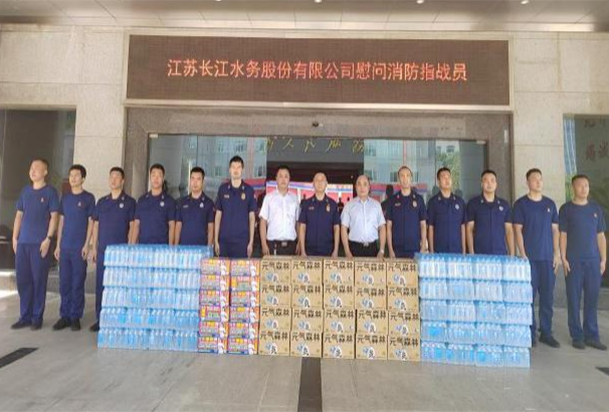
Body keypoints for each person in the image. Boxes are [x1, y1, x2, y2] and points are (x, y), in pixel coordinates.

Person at [513, 168, 561, 348]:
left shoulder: (550, 204)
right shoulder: (521, 204)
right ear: (527, 182)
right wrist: (523, 253)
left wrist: (557, 253)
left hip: (548, 259)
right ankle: (530, 333)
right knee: (529, 298)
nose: (538, 182)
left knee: (547, 298)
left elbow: (555, 230)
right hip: (530, 259)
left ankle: (546, 333)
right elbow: (517, 230)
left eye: (540, 179)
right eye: (534, 179)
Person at [559, 174, 607, 351]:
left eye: (586, 185)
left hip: (593, 261)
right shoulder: (566, 209)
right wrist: (563, 258)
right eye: (580, 185)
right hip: (574, 261)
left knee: (592, 298)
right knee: (573, 298)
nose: (584, 188)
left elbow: (600, 236)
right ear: (573, 188)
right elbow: (563, 235)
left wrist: (603, 259)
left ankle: (592, 335)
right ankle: (577, 336)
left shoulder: (596, 209)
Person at [11, 159, 59, 330]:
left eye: (37, 168)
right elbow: (19, 215)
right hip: (23, 243)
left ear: (45, 172)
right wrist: (15, 238)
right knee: (23, 281)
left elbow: (54, 216)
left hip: (40, 244)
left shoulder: (50, 192)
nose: (33, 171)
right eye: (31, 167)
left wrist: (48, 239)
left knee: (38, 281)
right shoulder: (25, 191)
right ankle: (25, 316)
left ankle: (37, 317)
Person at [90, 167, 136, 332]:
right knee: (101, 286)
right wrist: (94, 247)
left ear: (123, 181)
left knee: (119, 286)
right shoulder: (102, 202)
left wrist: (130, 247)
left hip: (121, 253)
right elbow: (96, 225)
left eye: (117, 177)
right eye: (111, 177)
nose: (114, 180)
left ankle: (117, 319)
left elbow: (132, 226)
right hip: (103, 251)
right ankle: (100, 318)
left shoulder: (130, 202)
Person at [52, 165, 95, 332]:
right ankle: (65, 316)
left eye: (77, 175)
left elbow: (91, 223)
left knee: (77, 283)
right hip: (65, 247)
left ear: (83, 178)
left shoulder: (88, 198)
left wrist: (87, 245)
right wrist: (58, 245)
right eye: (71, 175)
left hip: (79, 248)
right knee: (64, 283)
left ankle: (75, 316)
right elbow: (61, 222)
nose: (73, 178)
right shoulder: (66, 198)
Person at [214, 156, 257, 258]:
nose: (236, 170)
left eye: (238, 167)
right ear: (229, 170)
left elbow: (252, 217)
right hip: (224, 240)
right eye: (233, 167)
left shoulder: (249, 190)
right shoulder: (223, 189)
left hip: (242, 241)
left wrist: (251, 241)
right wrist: (215, 240)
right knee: (223, 268)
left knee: (241, 268)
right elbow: (218, 215)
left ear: (242, 169)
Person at [466, 170, 514, 255]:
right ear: (481, 184)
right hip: (480, 254)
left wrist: (512, 253)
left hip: (500, 253)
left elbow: (509, 230)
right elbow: (469, 229)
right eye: (486, 181)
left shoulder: (504, 205)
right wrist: (471, 252)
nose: (489, 184)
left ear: (496, 184)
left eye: (492, 180)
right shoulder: (473, 204)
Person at [386, 166, 427, 258]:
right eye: (402, 176)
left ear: (411, 178)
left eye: (408, 175)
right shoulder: (392, 200)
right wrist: (390, 250)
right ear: (398, 179)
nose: (405, 178)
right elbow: (388, 226)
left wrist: (423, 247)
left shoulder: (419, 199)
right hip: (396, 249)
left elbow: (423, 225)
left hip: (415, 249)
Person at [341, 175, 386, 258]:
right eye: (359, 184)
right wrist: (347, 251)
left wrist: (382, 250)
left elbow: (382, 227)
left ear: (369, 187)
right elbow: (343, 228)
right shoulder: (349, 205)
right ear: (355, 187)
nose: (362, 187)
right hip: (354, 249)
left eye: (365, 184)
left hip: (372, 249)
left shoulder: (376, 205)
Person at [259, 165, 300, 256]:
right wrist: (263, 244)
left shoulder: (295, 199)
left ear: (289, 179)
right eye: (280, 176)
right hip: (273, 245)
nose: (283, 179)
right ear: (276, 178)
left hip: (291, 245)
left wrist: (299, 243)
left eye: (286, 176)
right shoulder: (269, 198)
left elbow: (298, 223)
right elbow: (263, 222)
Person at [299, 172, 341, 257]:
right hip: (309, 251)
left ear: (326, 184)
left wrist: (336, 250)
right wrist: (302, 251)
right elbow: (302, 227)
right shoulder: (306, 204)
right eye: (317, 180)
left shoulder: (333, 204)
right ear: (313, 184)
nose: (320, 183)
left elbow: (336, 228)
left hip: (328, 251)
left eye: (322, 180)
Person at [132, 163, 176, 245]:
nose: (156, 179)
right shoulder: (142, 200)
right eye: (153, 175)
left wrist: (170, 247)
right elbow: (136, 224)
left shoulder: (169, 201)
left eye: (159, 176)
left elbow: (172, 226)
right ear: (150, 177)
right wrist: (132, 246)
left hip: (162, 248)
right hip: (143, 247)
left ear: (163, 178)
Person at [427, 167, 466, 254]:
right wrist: (431, 251)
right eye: (443, 177)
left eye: (448, 177)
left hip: (457, 250)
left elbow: (462, 227)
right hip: (439, 250)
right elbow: (430, 227)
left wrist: (464, 251)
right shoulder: (433, 202)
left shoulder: (460, 202)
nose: (447, 179)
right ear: (438, 182)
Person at [175, 167, 214, 246]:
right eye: (192, 179)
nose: (195, 182)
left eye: (198, 179)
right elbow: (178, 226)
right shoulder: (182, 202)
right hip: (183, 247)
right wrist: (176, 246)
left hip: (201, 248)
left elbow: (210, 228)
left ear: (203, 182)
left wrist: (209, 248)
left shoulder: (209, 203)